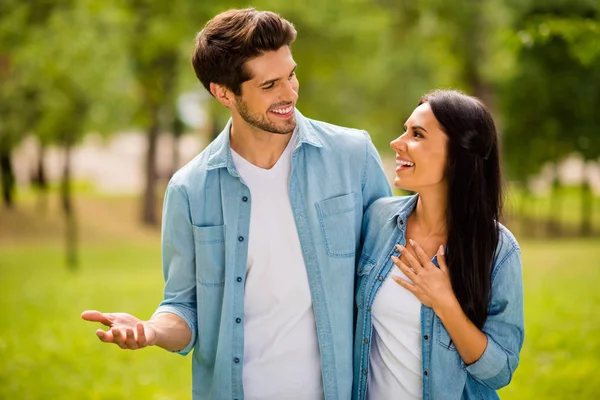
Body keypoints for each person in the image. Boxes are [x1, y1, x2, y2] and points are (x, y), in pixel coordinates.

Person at [81, 8, 391, 400]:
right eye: (270, 85)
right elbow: (184, 305)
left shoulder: (353, 156)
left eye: (291, 75)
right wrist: (153, 331)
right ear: (223, 92)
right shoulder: (190, 189)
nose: (289, 93)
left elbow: (392, 275)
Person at [353, 90, 524, 399]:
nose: (397, 142)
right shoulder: (378, 220)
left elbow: (500, 372)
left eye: (417, 135)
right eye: (405, 130)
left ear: (457, 154)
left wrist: (445, 302)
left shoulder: (498, 249)